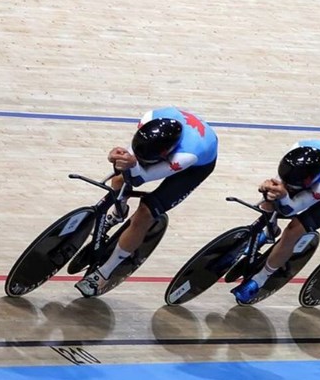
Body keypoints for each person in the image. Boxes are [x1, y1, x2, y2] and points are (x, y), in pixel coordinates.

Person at [75, 107, 218, 297]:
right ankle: (118, 213)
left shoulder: (186, 156)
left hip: (195, 167)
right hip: (165, 142)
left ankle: (105, 272)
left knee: (146, 212)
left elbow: (139, 178)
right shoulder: (149, 118)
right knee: (118, 179)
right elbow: (129, 157)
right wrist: (117, 156)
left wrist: (132, 165)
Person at [232, 140, 320, 303]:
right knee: (269, 201)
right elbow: (279, 185)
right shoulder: (295, 151)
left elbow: (291, 209)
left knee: (293, 230)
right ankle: (269, 231)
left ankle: (260, 279)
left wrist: (285, 196)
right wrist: (270, 189)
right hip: (316, 171)